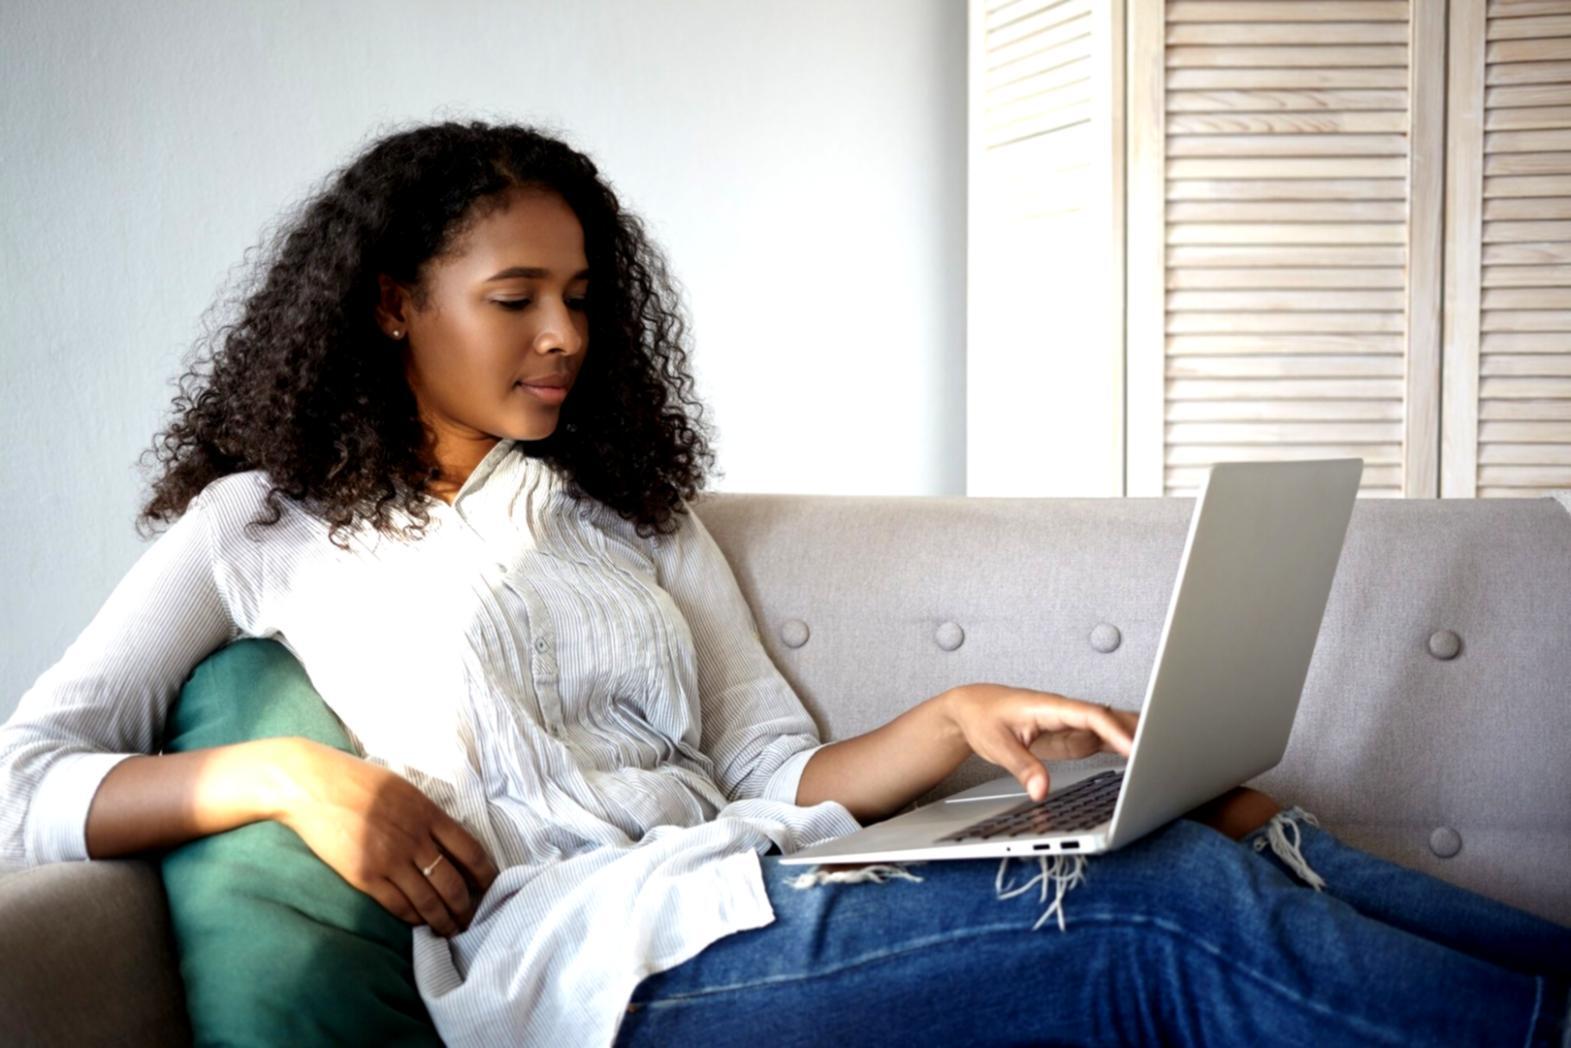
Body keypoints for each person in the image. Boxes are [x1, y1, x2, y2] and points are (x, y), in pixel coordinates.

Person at [0, 120, 1566, 1048]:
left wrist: (950, 725)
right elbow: (28, 781)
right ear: (397, 305)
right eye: (517, 299)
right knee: (1145, 921)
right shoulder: (258, 526)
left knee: (1224, 825)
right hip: (591, 966)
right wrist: (275, 778)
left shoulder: (631, 512)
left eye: (583, 299)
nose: (565, 337)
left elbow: (769, 771)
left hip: (754, 879)